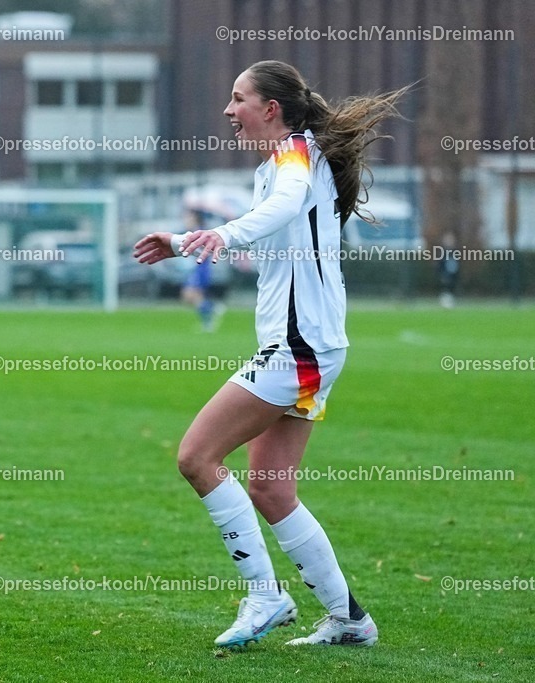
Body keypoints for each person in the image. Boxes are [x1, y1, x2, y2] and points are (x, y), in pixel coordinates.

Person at [134, 60, 406, 648]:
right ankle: (350, 619)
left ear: (270, 109)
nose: (229, 111)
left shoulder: (292, 158)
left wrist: (221, 235)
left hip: (299, 349)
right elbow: (280, 213)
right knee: (272, 490)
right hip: (312, 347)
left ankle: (265, 596)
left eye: (239, 99)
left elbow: (286, 203)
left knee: (196, 457)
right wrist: (184, 240)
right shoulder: (290, 156)